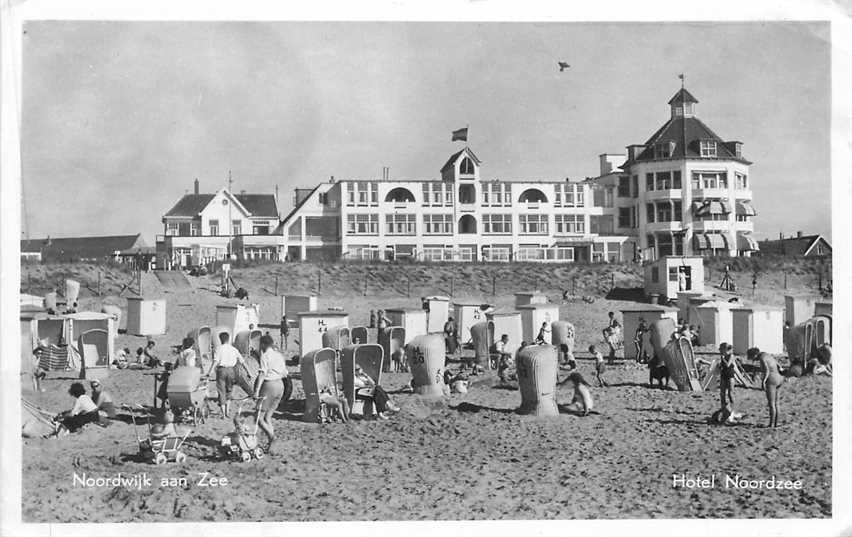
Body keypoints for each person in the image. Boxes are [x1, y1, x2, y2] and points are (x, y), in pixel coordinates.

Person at [252, 335, 288, 452]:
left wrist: (256, 390)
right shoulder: (279, 355)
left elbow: (262, 374)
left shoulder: (265, 356)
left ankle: (272, 438)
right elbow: (285, 373)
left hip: (270, 385)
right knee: (268, 417)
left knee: (258, 418)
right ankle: (271, 445)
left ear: (263, 344)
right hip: (280, 385)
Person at [207, 331, 252, 418]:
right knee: (229, 390)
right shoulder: (234, 349)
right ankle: (227, 412)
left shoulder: (218, 349)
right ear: (229, 339)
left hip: (221, 371)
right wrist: (249, 372)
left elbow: (215, 361)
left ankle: (223, 414)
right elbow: (243, 362)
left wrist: (210, 372)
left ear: (220, 339)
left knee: (221, 391)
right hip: (231, 371)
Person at [754, 350, 784, 428]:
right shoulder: (768, 355)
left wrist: (763, 381)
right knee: (777, 403)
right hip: (779, 378)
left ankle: (771, 424)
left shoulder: (762, 358)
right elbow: (779, 365)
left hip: (772, 379)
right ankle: (776, 423)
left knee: (771, 403)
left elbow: (767, 370)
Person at [718, 343, 736, 407]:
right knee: (722, 393)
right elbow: (722, 366)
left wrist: (723, 359)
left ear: (725, 349)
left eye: (721, 349)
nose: (720, 351)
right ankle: (723, 407)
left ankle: (733, 407)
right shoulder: (723, 356)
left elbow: (728, 365)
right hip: (723, 375)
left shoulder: (731, 356)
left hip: (730, 375)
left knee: (730, 393)